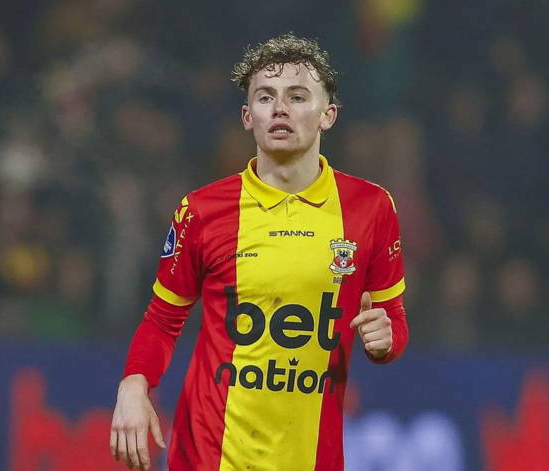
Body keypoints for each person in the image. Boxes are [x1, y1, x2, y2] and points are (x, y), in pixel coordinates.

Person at [109, 33, 409, 471]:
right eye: (266, 97)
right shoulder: (202, 211)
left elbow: (393, 321)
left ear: (328, 115)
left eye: (297, 96)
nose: (280, 108)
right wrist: (133, 386)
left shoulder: (371, 208)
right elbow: (162, 321)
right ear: (248, 117)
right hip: (209, 456)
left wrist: (386, 341)